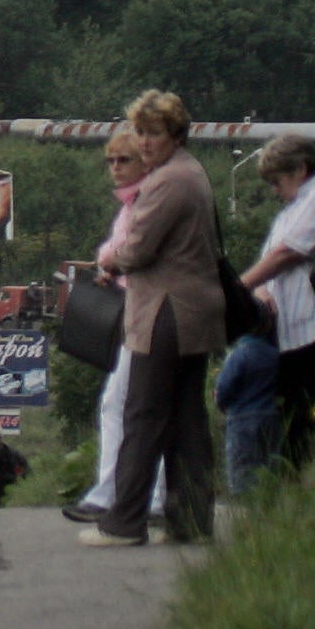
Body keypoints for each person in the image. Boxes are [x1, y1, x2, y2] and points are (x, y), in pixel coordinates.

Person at [85, 89, 224, 548]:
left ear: (175, 134)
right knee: (186, 418)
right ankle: (190, 519)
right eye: (141, 132)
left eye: (154, 133)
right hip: (193, 310)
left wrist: (110, 260)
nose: (144, 143)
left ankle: (124, 522)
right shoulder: (191, 173)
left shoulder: (167, 182)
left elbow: (138, 246)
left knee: (142, 414)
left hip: (166, 310)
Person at [64, 129, 165, 529]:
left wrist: (110, 262)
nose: (115, 169)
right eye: (110, 161)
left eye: (123, 160)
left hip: (150, 313)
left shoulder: (147, 201)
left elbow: (130, 251)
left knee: (128, 403)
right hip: (135, 310)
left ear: (145, 161)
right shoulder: (131, 204)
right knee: (130, 403)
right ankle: (133, 493)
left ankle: (119, 493)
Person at [240, 133, 315, 469]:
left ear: (300, 169)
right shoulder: (292, 210)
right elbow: (270, 259)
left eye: (278, 181)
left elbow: (287, 253)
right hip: (292, 333)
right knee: (294, 422)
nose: (275, 190)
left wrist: (240, 285)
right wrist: (259, 289)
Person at [215, 329, 281, 498]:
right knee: (268, 462)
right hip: (270, 415)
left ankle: (244, 502)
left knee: (242, 468)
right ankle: (268, 497)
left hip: (241, 419)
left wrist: (221, 403)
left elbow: (224, 387)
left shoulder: (240, 354)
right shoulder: (275, 355)